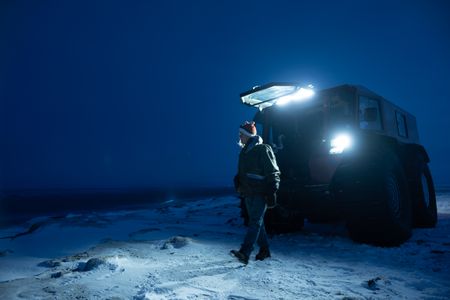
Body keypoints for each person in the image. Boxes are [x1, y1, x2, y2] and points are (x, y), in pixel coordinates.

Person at [231, 121, 280, 264]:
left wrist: (272, 190)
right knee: (258, 223)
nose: (239, 137)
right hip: (247, 193)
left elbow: (273, 171)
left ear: (248, 135)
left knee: (254, 222)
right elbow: (242, 172)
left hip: (260, 192)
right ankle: (265, 250)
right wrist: (238, 181)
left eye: (241, 134)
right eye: (239, 134)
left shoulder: (263, 149)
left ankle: (245, 252)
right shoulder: (244, 152)